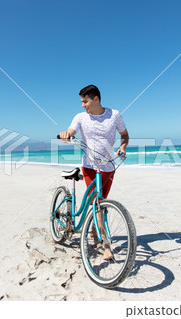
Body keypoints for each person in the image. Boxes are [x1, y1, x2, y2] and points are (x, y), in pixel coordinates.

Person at [59, 84, 129, 260]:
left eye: (85, 101)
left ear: (95, 99)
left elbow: (125, 135)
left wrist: (122, 147)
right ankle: (105, 245)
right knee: (98, 202)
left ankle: (93, 231)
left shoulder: (115, 115)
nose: (83, 105)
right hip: (89, 166)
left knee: (101, 203)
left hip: (108, 167)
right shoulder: (81, 117)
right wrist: (66, 134)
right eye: (82, 102)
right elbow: (71, 129)